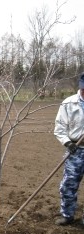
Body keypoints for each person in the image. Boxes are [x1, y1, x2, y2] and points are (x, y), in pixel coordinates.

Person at [53, 72, 84, 226]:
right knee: (68, 184)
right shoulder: (68, 103)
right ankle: (67, 214)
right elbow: (59, 128)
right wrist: (68, 143)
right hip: (75, 150)